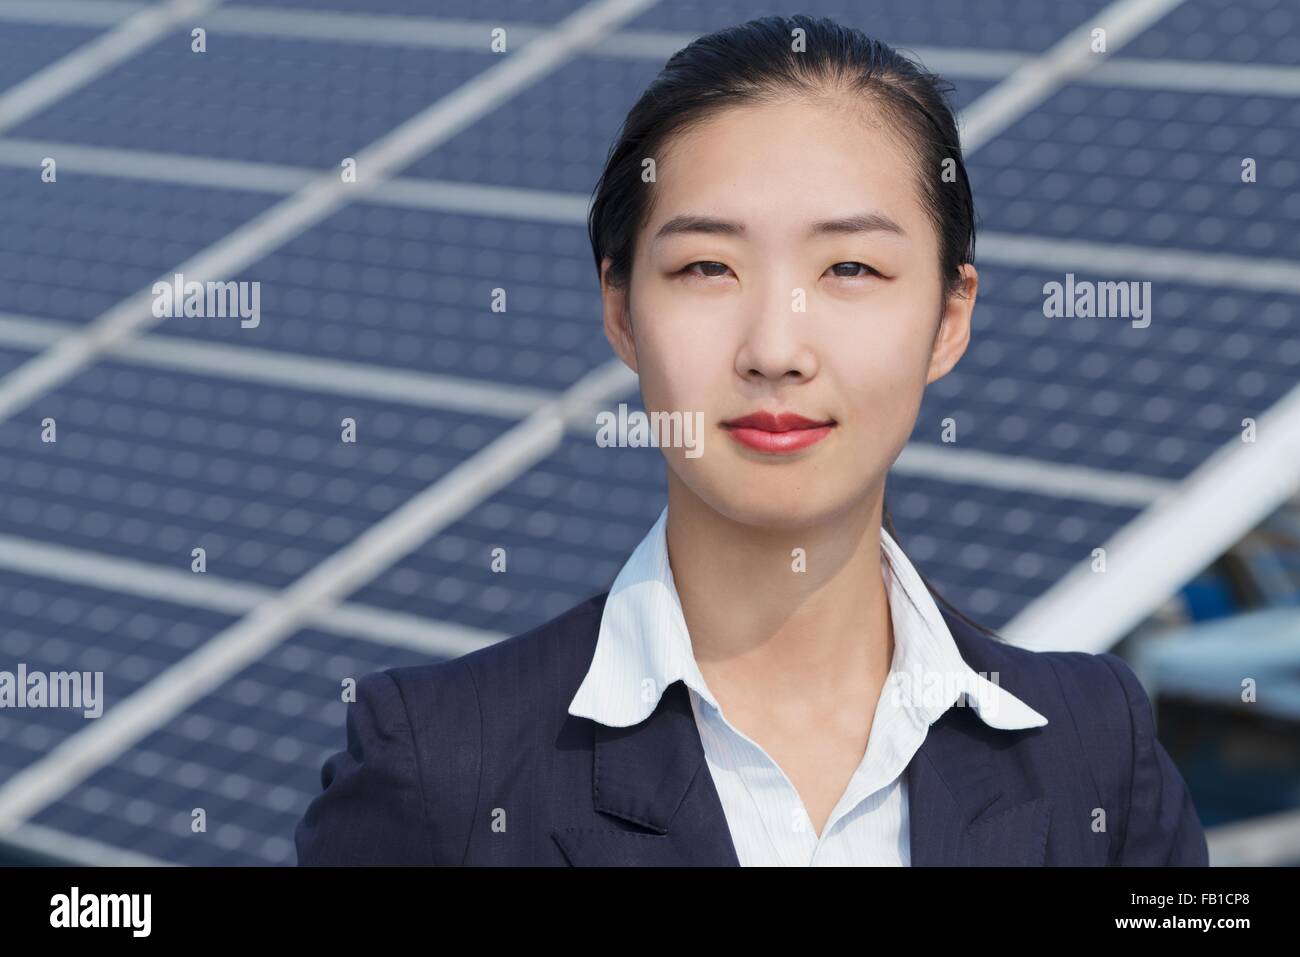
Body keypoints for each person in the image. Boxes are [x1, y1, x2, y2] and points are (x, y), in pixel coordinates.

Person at [295, 14, 1209, 866]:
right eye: (707, 267)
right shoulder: (444, 769)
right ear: (620, 310)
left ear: (949, 318)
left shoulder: (1094, 750)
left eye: (851, 267)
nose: (776, 347)